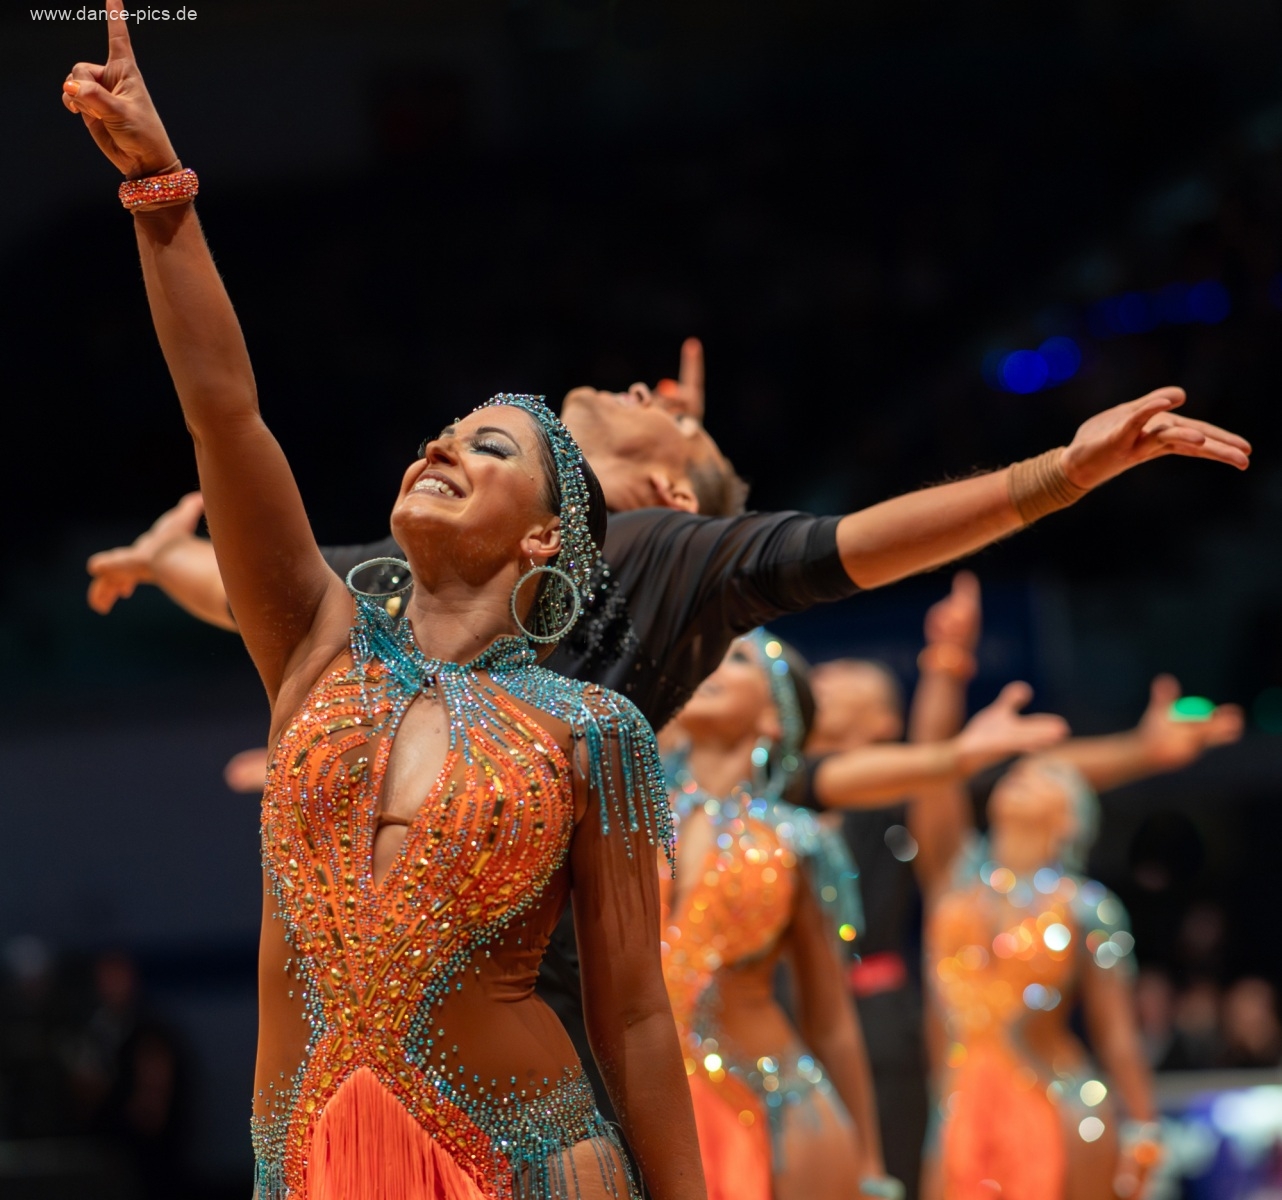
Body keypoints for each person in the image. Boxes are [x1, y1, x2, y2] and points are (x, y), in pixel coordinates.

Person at [61, 10, 705, 1198]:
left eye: (489, 446)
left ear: (545, 534)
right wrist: (160, 189)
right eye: (438, 435)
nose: (440, 446)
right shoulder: (317, 646)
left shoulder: (590, 730)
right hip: (316, 1168)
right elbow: (224, 414)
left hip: (535, 1169)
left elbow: (636, 1019)